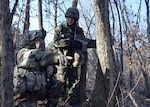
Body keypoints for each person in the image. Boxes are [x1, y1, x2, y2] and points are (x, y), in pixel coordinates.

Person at [13, 29, 68, 107]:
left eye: (41, 40)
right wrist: (55, 57)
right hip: (25, 94)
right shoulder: (23, 53)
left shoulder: (42, 54)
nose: (40, 42)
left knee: (57, 84)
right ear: (30, 41)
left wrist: (51, 67)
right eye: (37, 40)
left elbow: (50, 72)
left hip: (39, 89)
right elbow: (36, 55)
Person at [53, 7, 85, 107]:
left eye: (72, 18)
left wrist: (78, 44)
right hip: (62, 58)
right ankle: (60, 100)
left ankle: (73, 101)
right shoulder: (60, 28)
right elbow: (55, 42)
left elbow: (84, 43)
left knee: (74, 81)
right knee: (61, 80)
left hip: (74, 59)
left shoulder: (79, 30)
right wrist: (67, 42)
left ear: (75, 19)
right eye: (68, 18)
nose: (70, 20)